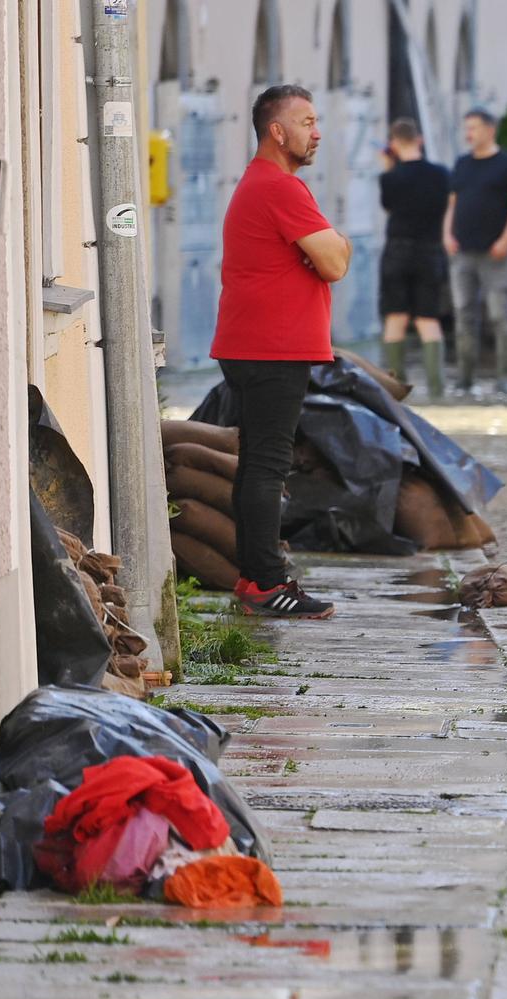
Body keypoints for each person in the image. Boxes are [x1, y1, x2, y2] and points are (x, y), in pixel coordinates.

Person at [208, 85, 350, 619]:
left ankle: (253, 577)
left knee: (256, 464)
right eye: (307, 122)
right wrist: (333, 247)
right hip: (273, 349)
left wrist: (331, 248)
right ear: (277, 130)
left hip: (253, 345)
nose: (317, 133)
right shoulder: (281, 189)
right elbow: (335, 262)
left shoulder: (261, 184)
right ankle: (267, 583)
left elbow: (332, 254)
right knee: (269, 464)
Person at [443, 109, 507, 393]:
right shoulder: (462, 164)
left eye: (474, 128)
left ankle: (504, 378)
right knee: (463, 314)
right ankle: (465, 380)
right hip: (462, 253)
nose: (469, 134)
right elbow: (452, 204)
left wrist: (506, 240)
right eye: (466, 128)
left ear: (490, 130)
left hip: (496, 254)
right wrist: (446, 234)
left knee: (500, 314)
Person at [377, 118, 451, 399]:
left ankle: (397, 392)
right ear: (419, 139)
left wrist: (388, 167)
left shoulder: (390, 177)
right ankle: (437, 389)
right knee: (428, 320)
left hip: (397, 251)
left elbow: (388, 205)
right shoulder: (441, 175)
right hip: (430, 251)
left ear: (393, 144)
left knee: (395, 319)